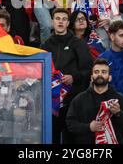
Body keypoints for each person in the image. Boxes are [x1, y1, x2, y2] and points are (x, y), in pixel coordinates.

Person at [41, 8, 93, 144]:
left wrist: (74, 77)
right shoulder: (45, 45)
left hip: (73, 99)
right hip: (52, 101)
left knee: (72, 138)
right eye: (57, 19)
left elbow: (89, 69)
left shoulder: (78, 43)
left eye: (64, 19)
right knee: (52, 136)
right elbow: (40, 71)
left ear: (68, 23)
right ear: (52, 22)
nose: (60, 22)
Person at [66, 58, 123, 144]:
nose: (100, 75)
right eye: (96, 72)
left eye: (104, 72)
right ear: (91, 77)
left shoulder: (119, 98)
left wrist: (118, 113)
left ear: (110, 78)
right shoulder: (79, 99)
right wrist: (89, 127)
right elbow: (70, 124)